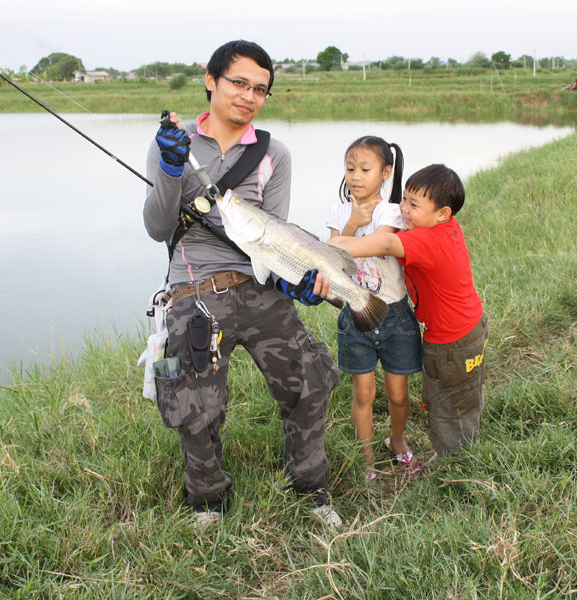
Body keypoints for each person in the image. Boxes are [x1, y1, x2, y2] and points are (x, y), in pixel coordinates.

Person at [143, 40, 341, 527]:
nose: (248, 96)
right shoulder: (174, 143)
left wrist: (297, 280)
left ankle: (310, 487)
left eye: (260, 89)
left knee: (311, 380)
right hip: (195, 293)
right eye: (238, 83)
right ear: (210, 81)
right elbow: (156, 227)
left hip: (259, 290)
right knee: (196, 405)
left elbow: (276, 236)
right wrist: (172, 170)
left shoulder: (275, 154)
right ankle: (208, 501)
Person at [328, 164, 487, 459]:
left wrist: (336, 244)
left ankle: (454, 458)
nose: (403, 208)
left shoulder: (428, 240)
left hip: (451, 340)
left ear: (443, 213)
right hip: (468, 327)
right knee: (463, 393)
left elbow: (387, 242)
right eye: (404, 199)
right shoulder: (443, 229)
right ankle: (463, 443)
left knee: (444, 399)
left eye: (414, 204)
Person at [325, 136, 423, 480]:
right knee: (363, 392)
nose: (356, 176)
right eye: (350, 169)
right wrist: (351, 222)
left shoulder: (392, 211)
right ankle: (366, 457)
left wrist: (343, 239)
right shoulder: (338, 213)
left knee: (398, 394)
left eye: (365, 169)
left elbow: (370, 244)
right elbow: (329, 262)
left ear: (385, 172)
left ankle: (396, 440)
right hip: (355, 314)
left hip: (394, 315)